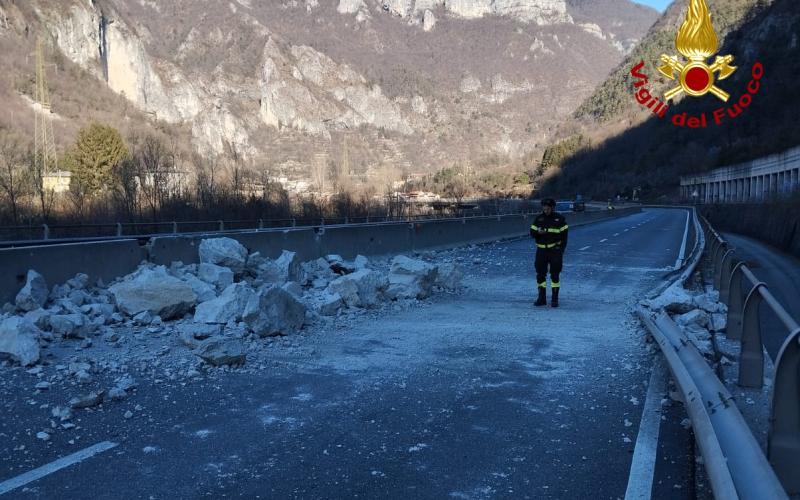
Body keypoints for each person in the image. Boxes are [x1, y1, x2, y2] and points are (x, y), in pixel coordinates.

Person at [530, 198, 569, 307]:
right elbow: (532, 233)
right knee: (540, 275)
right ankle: (541, 298)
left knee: (555, 275)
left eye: (548, 208)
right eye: (544, 208)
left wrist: (560, 250)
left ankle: (554, 299)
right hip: (541, 250)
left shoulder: (560, 219)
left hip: (554, 251)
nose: (545, 210)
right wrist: (538, 232)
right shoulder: (539, 219)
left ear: (552, 208)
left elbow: (565, 237)